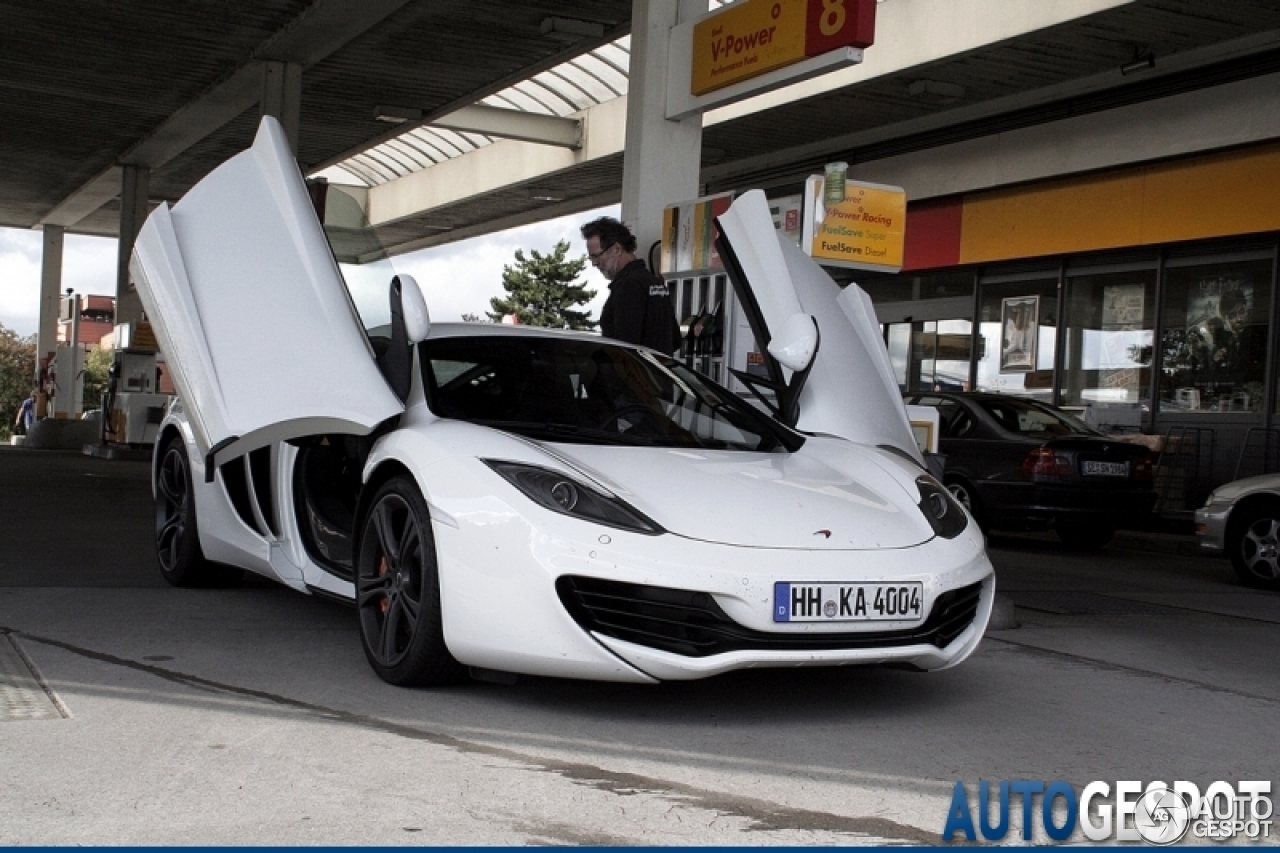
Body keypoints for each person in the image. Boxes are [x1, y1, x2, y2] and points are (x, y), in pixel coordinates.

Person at [580, 216, 680, 355]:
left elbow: (625, 347)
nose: (594, 263)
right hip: (658, 372)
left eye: (596, 256)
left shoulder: (627, 286)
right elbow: (675, 339)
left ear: (616, 249)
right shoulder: (652, 282)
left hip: (636, 374)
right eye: (591, 257)